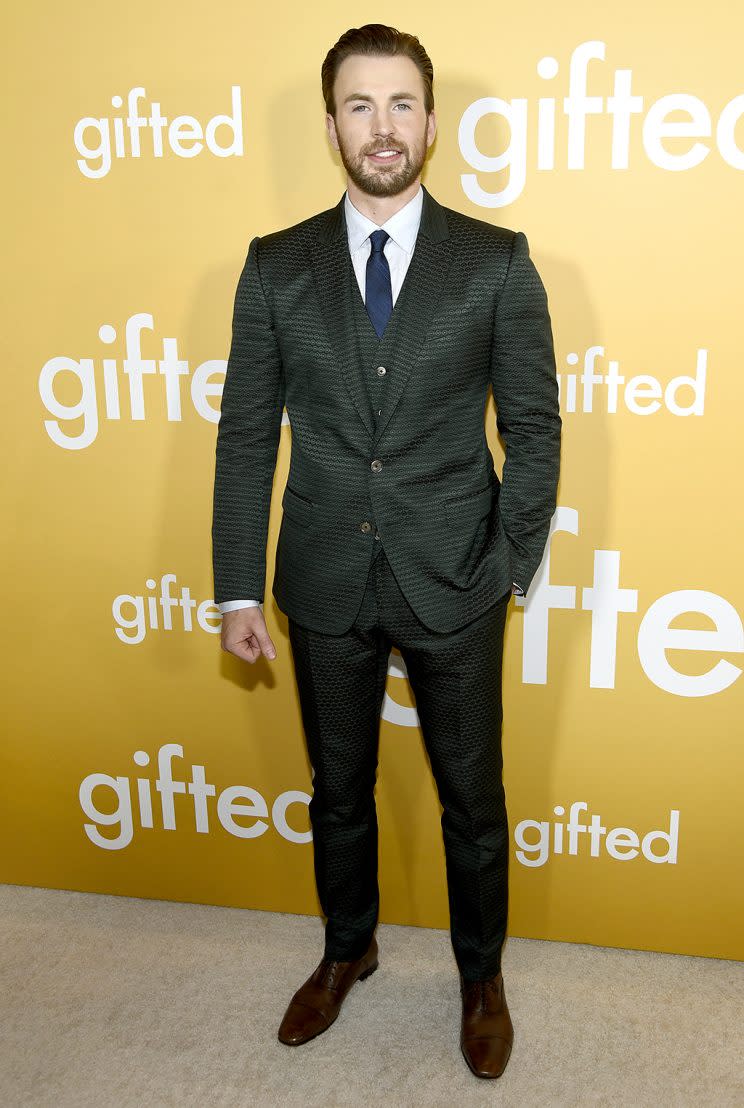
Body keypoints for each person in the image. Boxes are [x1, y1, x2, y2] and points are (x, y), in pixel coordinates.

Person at [211, 23, 561, 1080]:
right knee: (338, 789)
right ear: (331, 127)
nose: (382, 127)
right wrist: (236, 587)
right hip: (322, 579)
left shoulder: (496, 263)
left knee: (473, 798)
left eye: (401, 103)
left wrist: (508, 557)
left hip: (454, 577)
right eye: (359, 106)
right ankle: (346, 947)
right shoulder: (275, 268)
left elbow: (535, 428)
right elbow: (244, 435)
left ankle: (481, 975)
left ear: (433, 122)